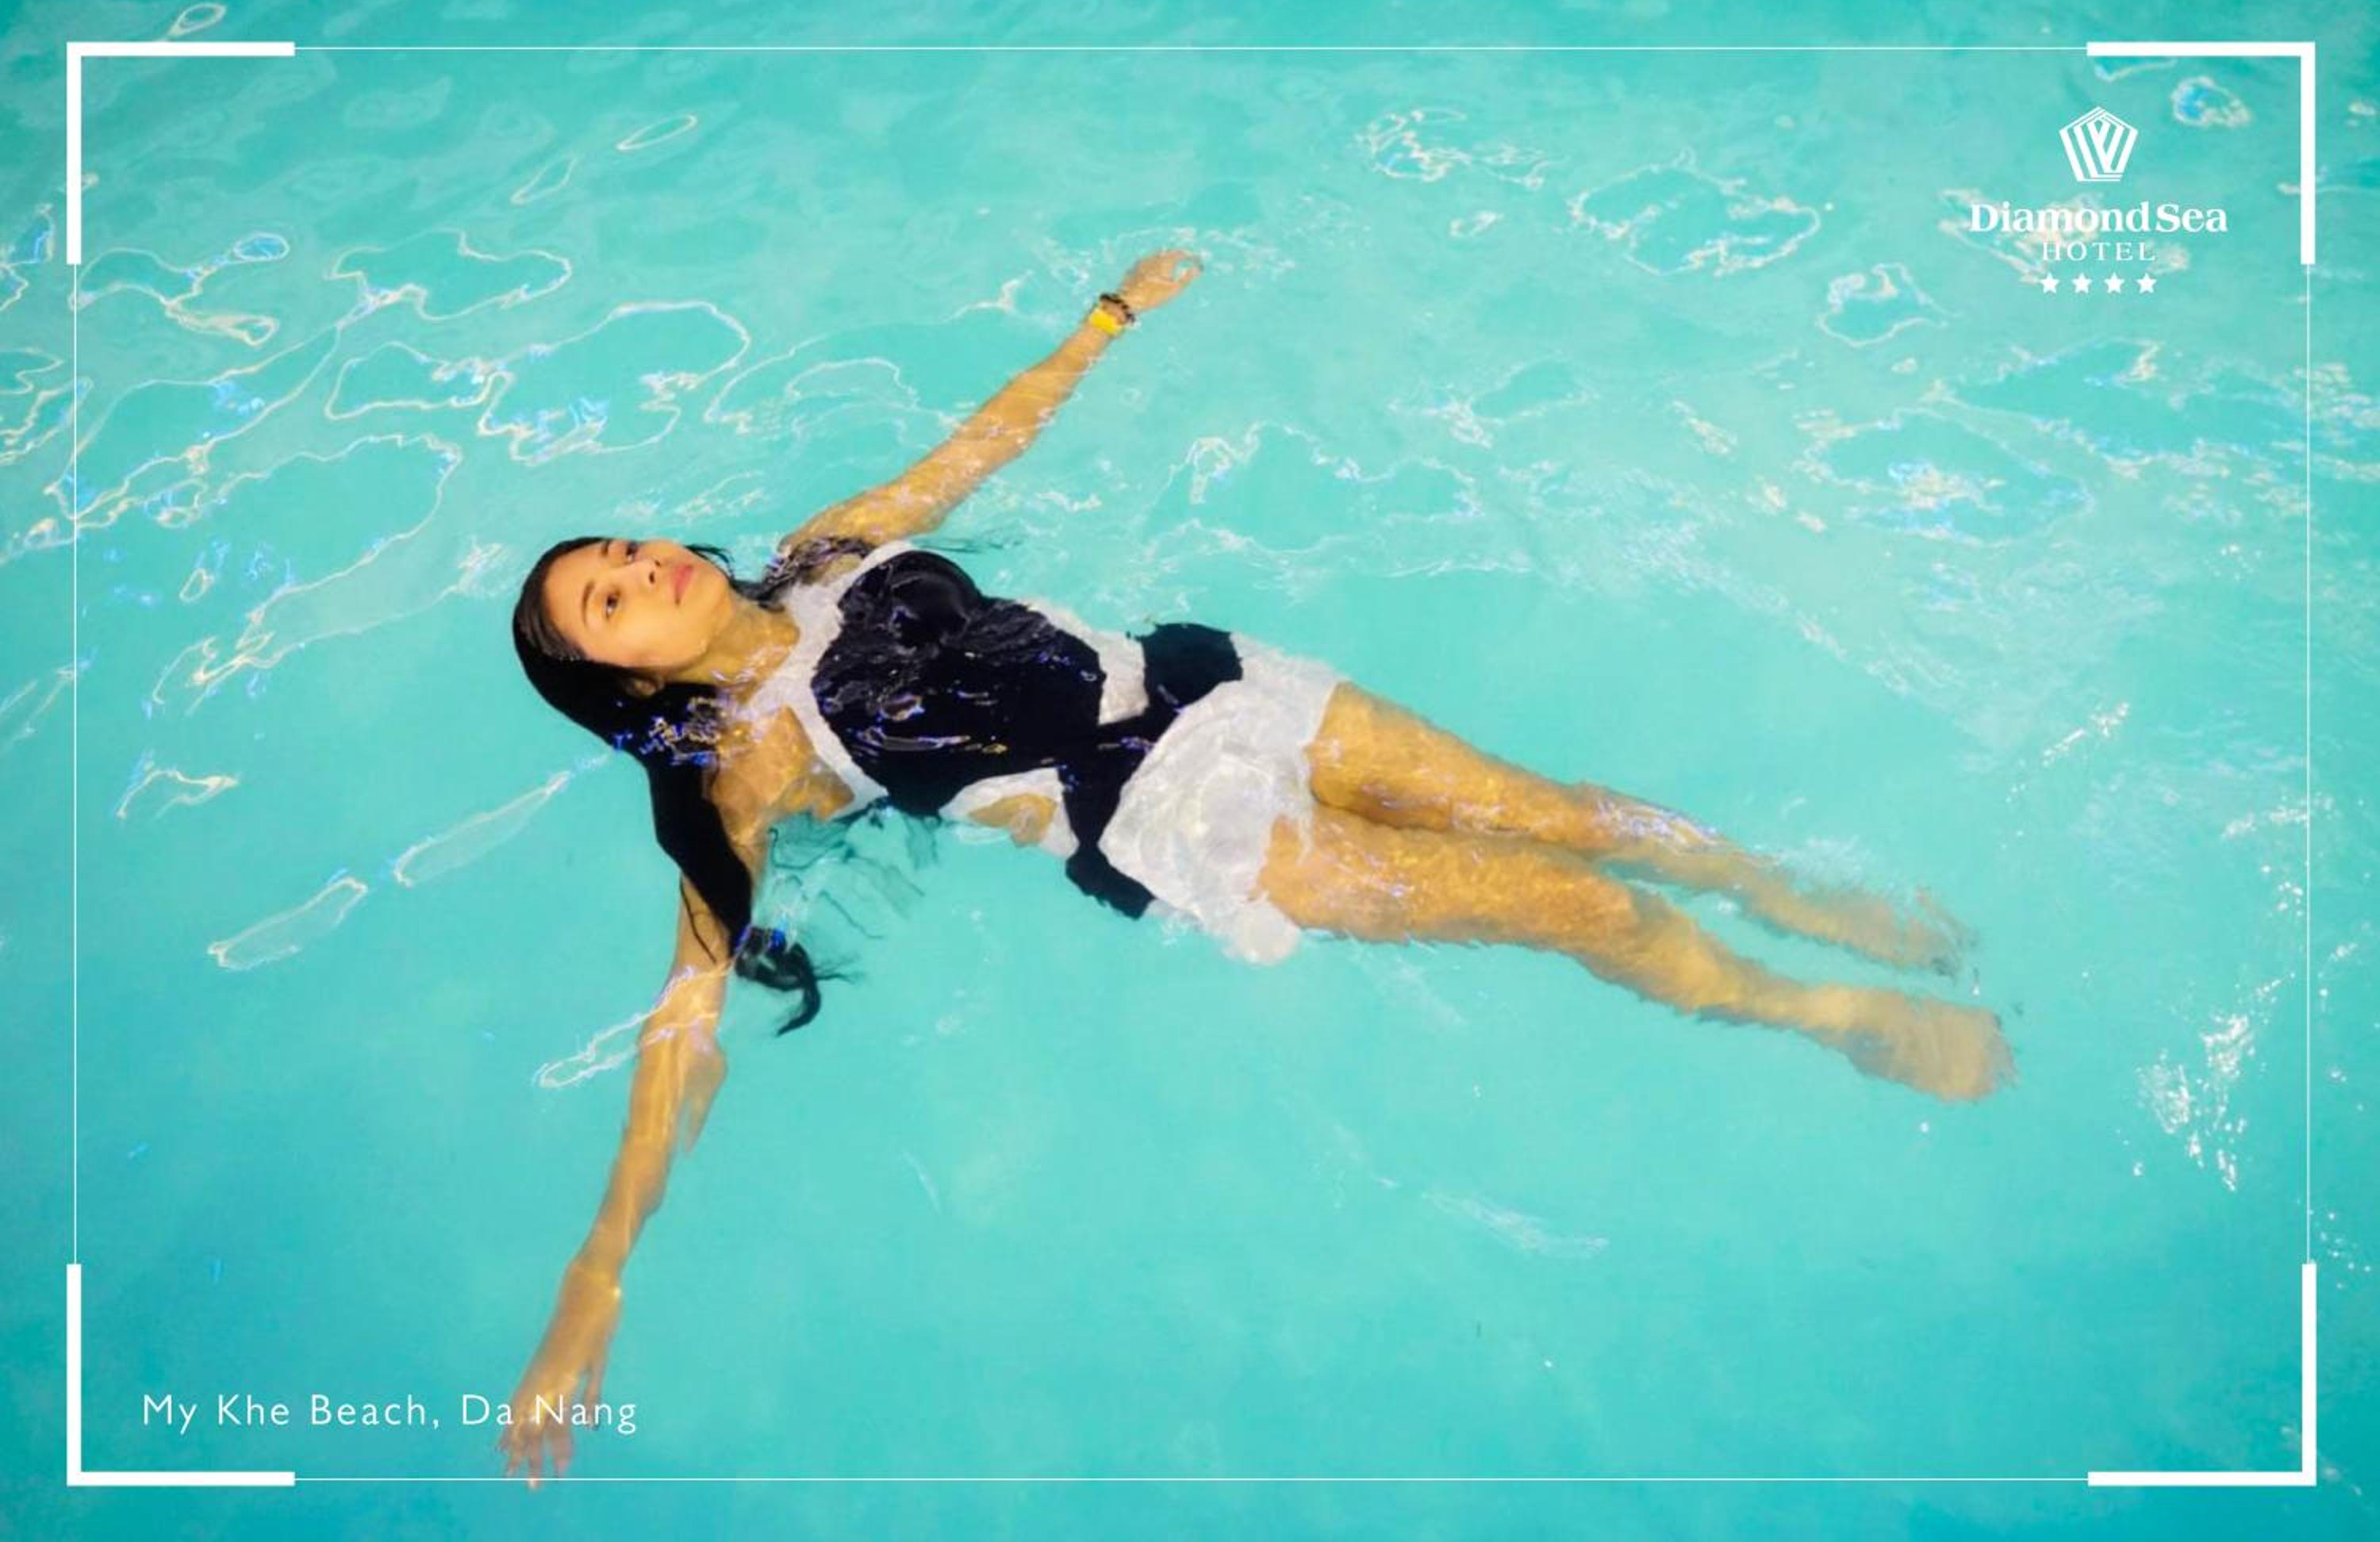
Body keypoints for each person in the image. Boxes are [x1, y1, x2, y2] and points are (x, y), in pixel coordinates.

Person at [499, 250, 2010, 1483]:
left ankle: (1777, 889)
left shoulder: (822, 549)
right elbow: (686, 1014)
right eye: (606, 605)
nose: (639, 569)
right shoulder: (743, 772)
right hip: (1168, 816)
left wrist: (1105, 319)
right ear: (623, 682)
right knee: (1574, 906)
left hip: (1211, 680)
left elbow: (975, 447)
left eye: (618, 552)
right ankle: (1815, 1011)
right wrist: (598, 1267)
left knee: (1567, 814)